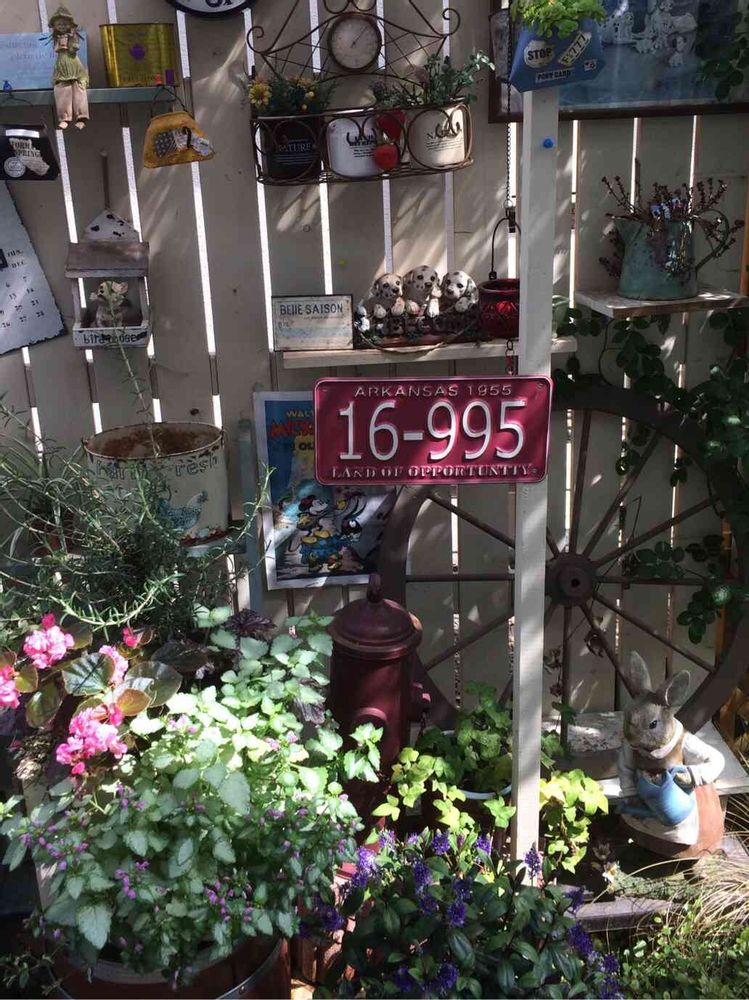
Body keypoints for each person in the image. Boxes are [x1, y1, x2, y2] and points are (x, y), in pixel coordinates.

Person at [49, 4, 89, 130]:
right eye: (59, 24)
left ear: (70, 25)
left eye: (65, 24)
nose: (62, 26)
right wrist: (61, 45)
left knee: (79, 89)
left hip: (73, 64)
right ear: (54, 26)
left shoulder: (73, 36)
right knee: (62, 89)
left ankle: (81, 116)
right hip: (62, 64)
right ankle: (64, 117)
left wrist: (72, 42)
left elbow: (74, 49)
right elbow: (56, 49)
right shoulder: (57, 38)